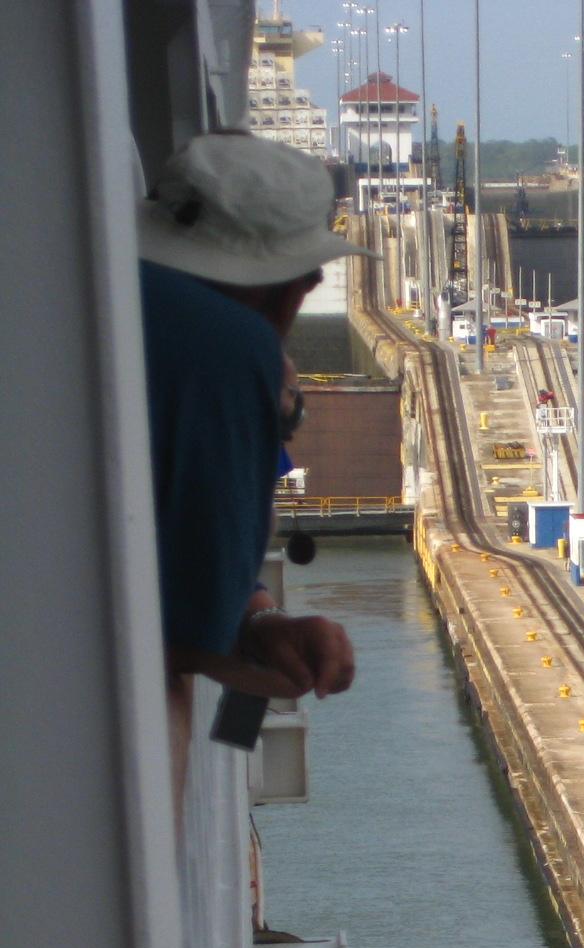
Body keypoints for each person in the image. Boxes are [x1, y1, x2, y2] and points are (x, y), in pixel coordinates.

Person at [138, 134, 370, 782]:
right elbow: (194, 634)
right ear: (299, 283)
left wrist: (261, 623)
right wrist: (258, 643)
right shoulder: (229, 351)